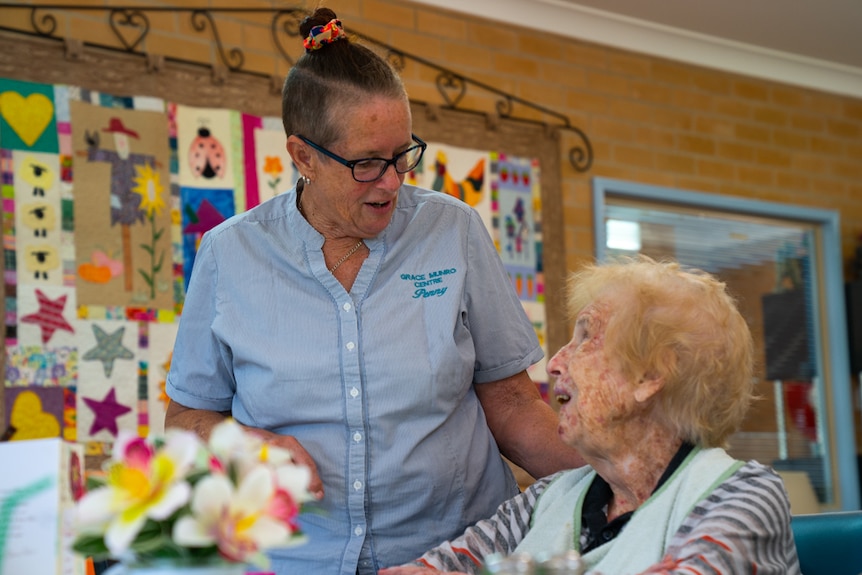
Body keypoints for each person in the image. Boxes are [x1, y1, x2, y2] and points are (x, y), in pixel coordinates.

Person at [164, 7, 584, 575]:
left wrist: (626, 475)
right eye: (366, 163)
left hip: (452, 553)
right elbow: (188, 418)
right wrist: (244, 446)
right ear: (303, 156)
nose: (391, 181)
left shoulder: (452, 232)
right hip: (294, 558)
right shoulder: (228, 254)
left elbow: (511, 404)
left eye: (402, 155)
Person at [379, 256, 802, 575]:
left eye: (585, 337)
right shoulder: (548, 498)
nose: (556, 363)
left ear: (649, 375)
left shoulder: (741, 497)